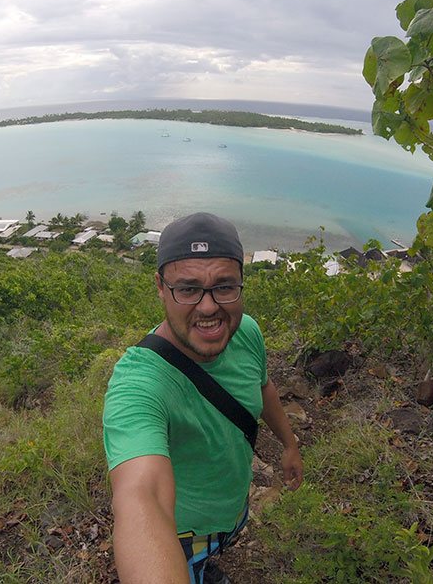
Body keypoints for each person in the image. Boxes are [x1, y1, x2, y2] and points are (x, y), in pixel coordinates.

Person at [103, 212, 303, 584]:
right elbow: (140, 495)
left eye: (224, 287)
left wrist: (289, 444)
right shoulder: (139, 384)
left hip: (229, 510)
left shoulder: (246, 332)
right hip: (182, 533)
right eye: (188, 288)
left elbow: (263, 386)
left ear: (241, 284)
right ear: (161, 287)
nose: (209, 307)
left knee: (212, 553)